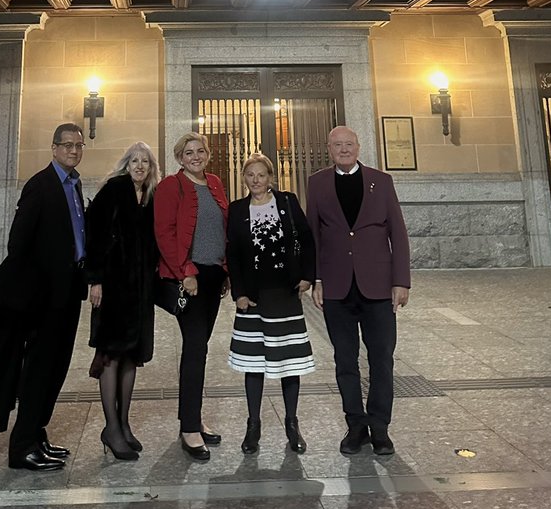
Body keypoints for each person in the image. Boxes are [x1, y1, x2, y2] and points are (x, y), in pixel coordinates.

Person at [0, 122, 88, 472]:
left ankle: (36, 434)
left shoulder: (74, 184)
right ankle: (21, 448)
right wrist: (40, 285)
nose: (73, 151)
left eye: (78, 145)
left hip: (69, 292)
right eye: (67, 145)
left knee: (57, 367)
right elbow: (18, 244)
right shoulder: (40, 185)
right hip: (45, 298)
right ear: (54, 148)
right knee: (39, 369)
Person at [307, 125, 410, 457]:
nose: (344, 149)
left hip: (378, 287)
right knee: (345, 360)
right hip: (337, 287)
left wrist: (401, 281)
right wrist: (316, 279)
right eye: (337, 144)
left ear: (358, 146)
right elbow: (313, 236)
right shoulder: (317, 183)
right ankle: (355, 426)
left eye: (349, 144)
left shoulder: (382, 181)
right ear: (329, 149)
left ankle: (380, 427)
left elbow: (398, 233)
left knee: (381, 358)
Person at [226, 153, 316, 454]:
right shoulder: (237, 210)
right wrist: (238, 292)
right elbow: (233, 255)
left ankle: (292, 424)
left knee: (289, 363)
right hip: (253, 298)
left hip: (284, 293)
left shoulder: (287, 202)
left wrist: (308, 276)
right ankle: (253, 425)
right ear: (244, 178)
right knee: (253, 363)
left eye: (261, 175)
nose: (255, 180)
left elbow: (307, 239)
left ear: (270, 178)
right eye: (250, 174)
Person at [154, 131, 229, 462]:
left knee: (201, 348)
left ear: (208, 154)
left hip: (213, 277)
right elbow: (164, 232)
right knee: (195, 349)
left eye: (200, 151)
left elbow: (222, 229)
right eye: (188, 152)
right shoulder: (171, 186)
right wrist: (185, 271)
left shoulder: (215, 182)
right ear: (179, 158)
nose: (195, 156)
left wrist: (225, 271)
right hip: (190, 277)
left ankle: (193, 419)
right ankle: (189, 428)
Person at [85, 141, 161, 463]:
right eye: (134, 161)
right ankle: (111, 428)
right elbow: (94, 233)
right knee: (112, 355)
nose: (139, 166)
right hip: (113, 287)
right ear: (126, 165)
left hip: (140, 290)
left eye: (145, 161)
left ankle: (124, 424)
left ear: (151, 167)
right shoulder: (114, 190)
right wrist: (95, 279)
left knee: (131, 356)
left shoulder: (151, 196)